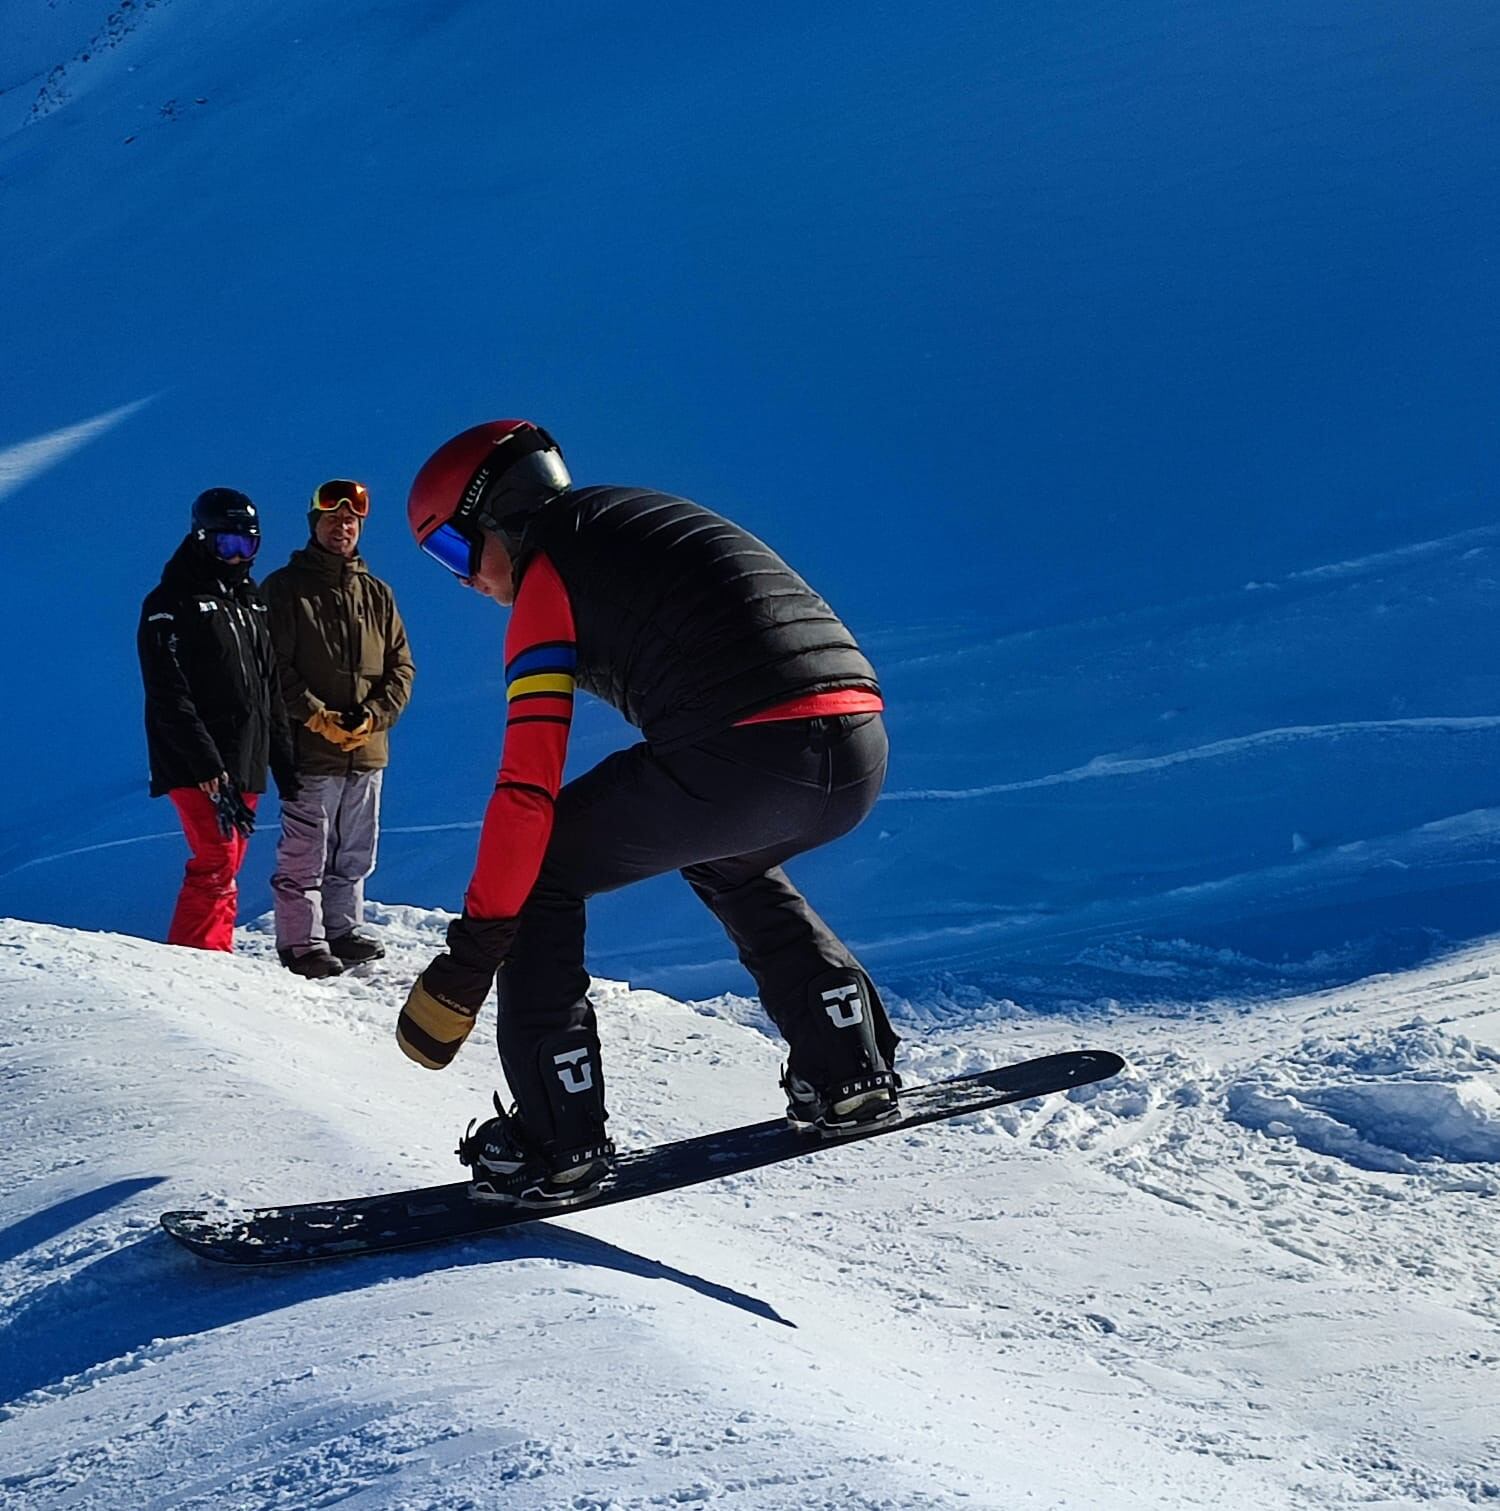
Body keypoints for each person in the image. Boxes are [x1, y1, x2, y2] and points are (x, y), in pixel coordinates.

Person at [396, 419, 899, 1208]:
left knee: (544, 863)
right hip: (859, 744)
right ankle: (847, 1063)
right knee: (725, 853)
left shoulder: (547, 574)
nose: (464, 582)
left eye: (454, 553)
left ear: (497, 519)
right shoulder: (631, 518)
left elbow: (526, 790)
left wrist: (472, 952)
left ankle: (556, 1139)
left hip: (749, 753)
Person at [263, 479, 416, 978]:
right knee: (306, 850)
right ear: (315, 524)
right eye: (333, 519)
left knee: (355, 849)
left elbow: (401, 668)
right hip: (310, 749)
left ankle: (341, 930)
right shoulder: (286, 589)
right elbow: (272, 668)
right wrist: (317, 717)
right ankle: (301, 943)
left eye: (351, 520)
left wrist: (373, 717)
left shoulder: (376, 593)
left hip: (367, 750)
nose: (343, 526)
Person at [138, 488, 299, 951]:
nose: (236, 556)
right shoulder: (171, 602)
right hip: (195, 759)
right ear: (202, 539)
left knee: (229, 863)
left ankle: (216, 953)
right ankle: (195, 960)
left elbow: (269, 688)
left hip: (243, 754)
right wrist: (206, 763)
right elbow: (167, 691)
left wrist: (284, 765)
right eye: (226, 545)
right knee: (215, 859)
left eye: (246, 545)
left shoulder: (248, 604)